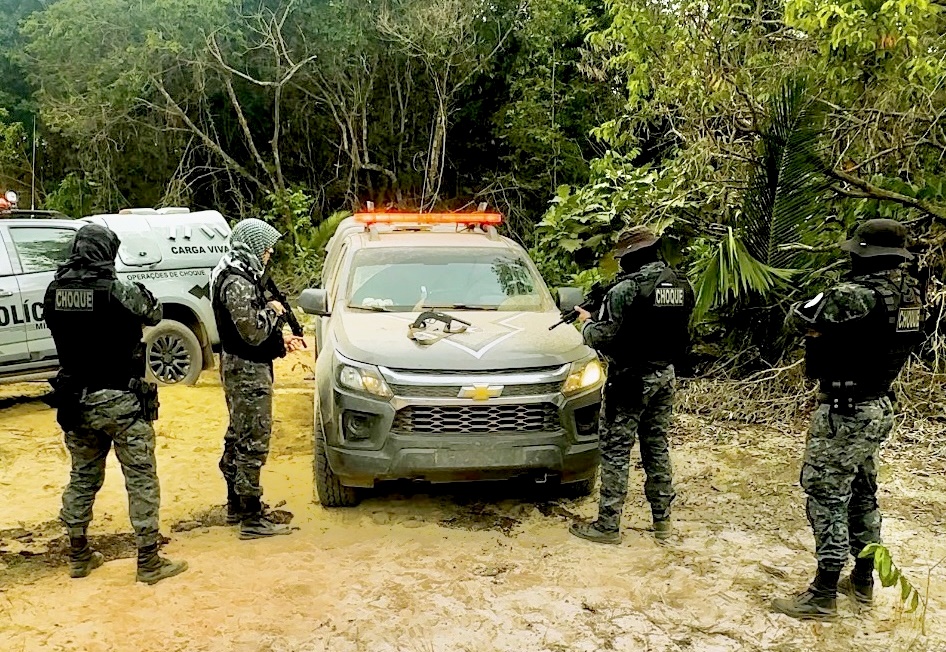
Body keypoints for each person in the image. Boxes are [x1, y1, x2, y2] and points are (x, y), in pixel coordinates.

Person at [772, 219, 924, 620]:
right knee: (862, 492)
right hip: (878, 405)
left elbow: (796, 320)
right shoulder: (908, 293)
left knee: (826, 495)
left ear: (864, 254)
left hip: (845, 410)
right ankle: (862, 578)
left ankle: (823, 592)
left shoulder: (853, 295)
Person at [44, 224, 187, 584]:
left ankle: (78, 554)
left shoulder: (55, 289)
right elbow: (153, 311)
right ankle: (149, 561)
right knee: (140, 478)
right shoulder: (116, 289)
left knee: (82, 476)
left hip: (75, 400)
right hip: (120, 401)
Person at [569, 225, 693, 544]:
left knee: (615, 450)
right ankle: (662, 523)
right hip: (665, 375)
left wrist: (587, 324)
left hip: (631, 379)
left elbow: (603, 336)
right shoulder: (680, 284)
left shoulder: (627, 289)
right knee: (656, 447)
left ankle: (608, 525)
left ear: (631, 257)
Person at [211, 218, 305, 539]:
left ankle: (237, 505)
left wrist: (280, 342)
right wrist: (275, 311)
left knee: (240, 432)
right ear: (250, 245)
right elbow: (252, 331)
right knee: (252, 439)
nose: (268, 253)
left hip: (245, 364)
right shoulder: (236, 281)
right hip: (247, 369)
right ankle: (251, 516)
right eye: (265, 247)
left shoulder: (240, 274)